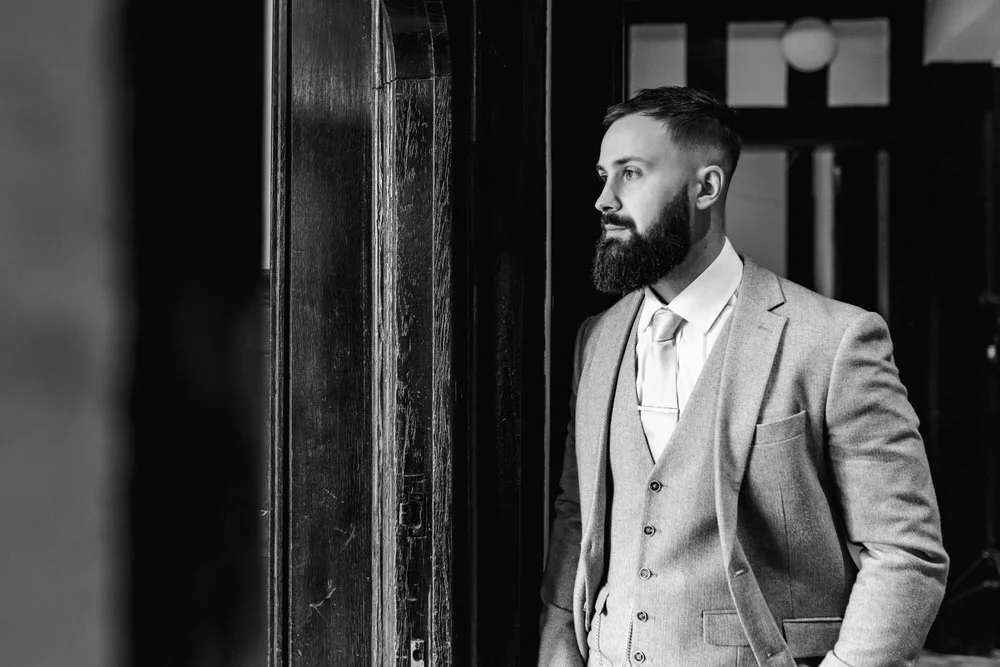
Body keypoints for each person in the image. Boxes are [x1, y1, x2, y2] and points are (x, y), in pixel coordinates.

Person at [538, 86, 948, 667]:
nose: (604, 199)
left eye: (631, 173)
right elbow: (577, 514)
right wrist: (558, 650)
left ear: (705, 188)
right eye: (604, 176)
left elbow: (905, 553)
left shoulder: (834, 340)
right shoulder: (598, 339)